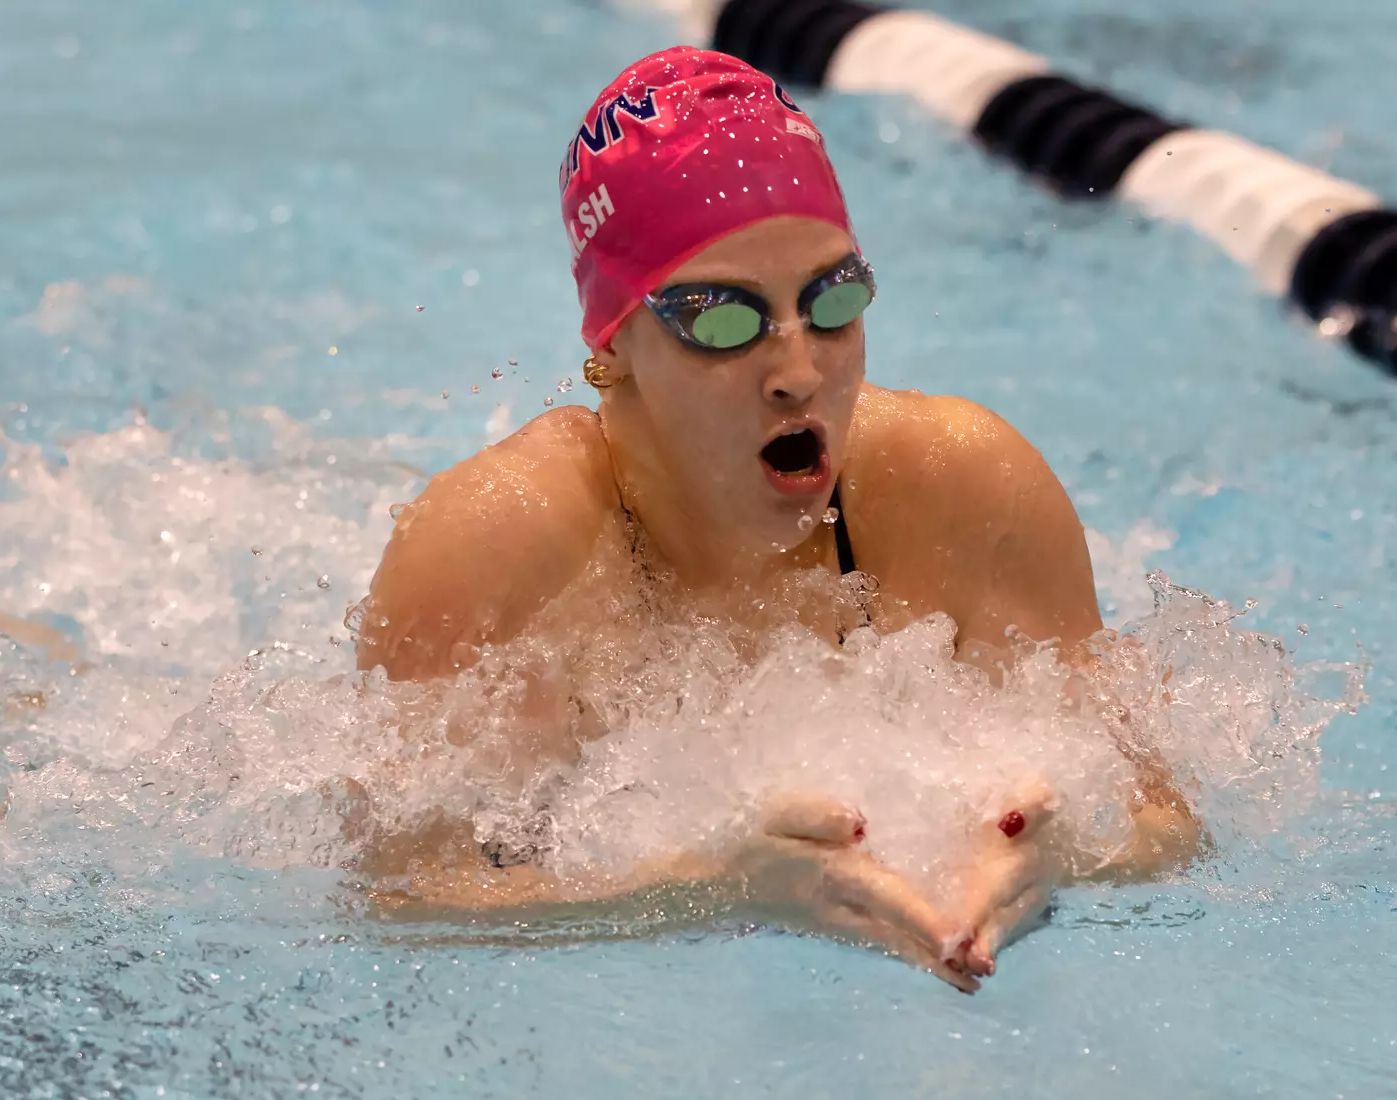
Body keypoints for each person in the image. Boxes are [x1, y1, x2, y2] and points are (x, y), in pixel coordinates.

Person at [355, 47, 1199, 993]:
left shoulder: (966, 490)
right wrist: (711, 886)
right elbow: (395, 899)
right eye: (724, 320)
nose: (799, 372)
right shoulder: (494, 548)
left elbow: (1166, 818)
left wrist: (1064, 857)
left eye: (833, 303)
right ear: (612, 341)